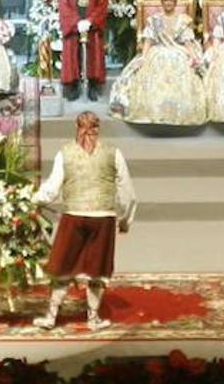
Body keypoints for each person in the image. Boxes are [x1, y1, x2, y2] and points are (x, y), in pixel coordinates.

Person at [33, 111, 135, 331]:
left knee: (62, 268)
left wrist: (33, 200)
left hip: (74, 217)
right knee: (96, 271)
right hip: (103, 219)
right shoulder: (113, 153)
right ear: (98, 128)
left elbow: (51, 188)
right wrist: (125, 219)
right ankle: (93, 318)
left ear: (76, 127)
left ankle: (51, 316)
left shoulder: (65, 153)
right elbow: (127, 192)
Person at [110, 0, 207, 126]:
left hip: (178, 51)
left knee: (182, 66)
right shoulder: (155, 20)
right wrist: (143, 57)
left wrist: (193, 57)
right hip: (158, 51)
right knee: (152, 65)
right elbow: (148, 41)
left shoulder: (182, 20)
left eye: (171, 1)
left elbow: (187, 42)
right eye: (166, 0)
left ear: (175, 3)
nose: (168, 3)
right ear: (162, 2)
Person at [58, 0, 107, 101]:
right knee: (73, 55)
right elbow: (64, 6)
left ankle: (92, 86)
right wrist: (76, 22)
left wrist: (91, 21)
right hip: (74, 29)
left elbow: (102, 4)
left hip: (92, 29)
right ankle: (73, 87)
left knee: (93, 58)